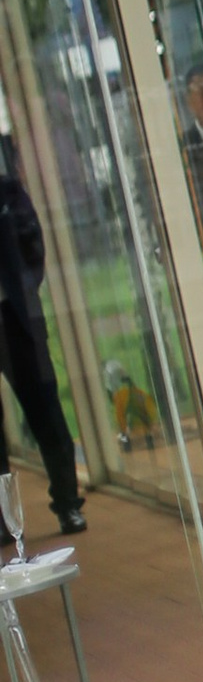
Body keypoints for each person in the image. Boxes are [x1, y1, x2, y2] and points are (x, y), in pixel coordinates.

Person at [0, 142, 84, 534]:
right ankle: (3, 519)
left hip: (17, 320)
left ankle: (68, 503)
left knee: (45, 409)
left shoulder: (9, 192)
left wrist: (23, 289)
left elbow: (33, 246)